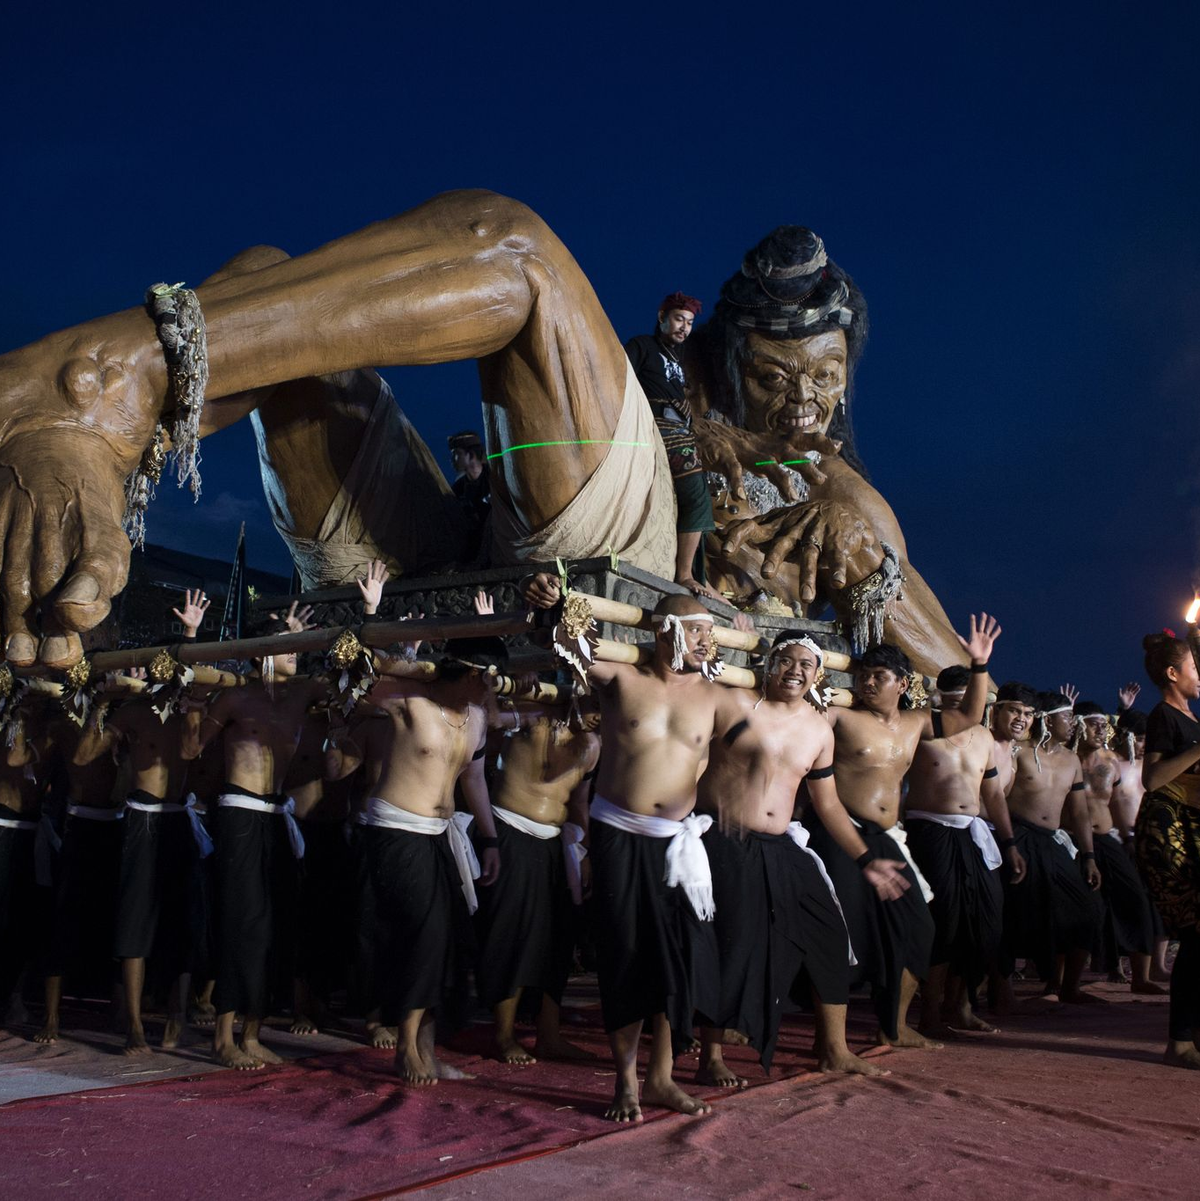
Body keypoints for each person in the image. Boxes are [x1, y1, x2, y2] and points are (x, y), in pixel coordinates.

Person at [0, 193, 970, 682]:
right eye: (777, 374)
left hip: (628, 574)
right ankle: (93, 409)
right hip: (486, 544)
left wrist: (984, 685)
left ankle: (82, 384)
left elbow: (943, 661)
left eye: (826, 380)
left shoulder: (841, 501)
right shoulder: (674, 406)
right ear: (727, 358)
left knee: (523, 254)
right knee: (269, 284)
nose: (804, 402)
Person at [524, 574, 736, 1122]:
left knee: (674, 962)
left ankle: (661, 1078)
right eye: (699, 631)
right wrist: (553, 600)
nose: (708, 643)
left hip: (677, 845)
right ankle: (627, 1084)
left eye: (711, 633)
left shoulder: (717, 695)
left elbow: (770, 731)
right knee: (624, 958)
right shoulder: (622, 676)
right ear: (667, 632)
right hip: (619, 835)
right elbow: (567, 643)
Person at [695, 631, 910, 1087]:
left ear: (818, 675)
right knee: (733, 944)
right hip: (726, 839)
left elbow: (828, 805)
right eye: (786, 661)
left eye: (806, 664)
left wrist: (866, 859)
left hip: (783, 844)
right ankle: (710, 1055)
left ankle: (834, 1049)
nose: (795, 670)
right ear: (769, 665)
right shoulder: (734, 705)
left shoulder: (818, 729)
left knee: (829, 934)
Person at [803, 617, 1001, 1050]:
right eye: (863, 676)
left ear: (902, 683)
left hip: (890, 837)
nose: (868, 683)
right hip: (839, 831)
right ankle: (827, 1042)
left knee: (920, 929)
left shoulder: (916, 723)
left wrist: (980, 664)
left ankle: (893, 1026)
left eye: (879, 676)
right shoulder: (840, 717)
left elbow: (969, 715)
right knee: (840, 933)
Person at [326, 638, 502, 1085]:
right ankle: (405, 1046)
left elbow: (475, 781)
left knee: (445, 943)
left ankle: (426, 1050)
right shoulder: (411, 704)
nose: (495, 688)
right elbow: (355, 676)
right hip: (395, 831)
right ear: (471, 674)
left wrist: (490, 838)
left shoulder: (478, 718)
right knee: (423, 936)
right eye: (490, 677)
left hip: (441, 835)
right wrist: (408, 657)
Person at [181, 618, 329, 1069]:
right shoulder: (234, 697)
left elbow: (355, 674)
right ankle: (222, 1038)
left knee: (274, 927)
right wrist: (189, 676)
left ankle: (252, 1033)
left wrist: (371, 613)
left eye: (299, 648)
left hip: (276, 815)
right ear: (262, 651)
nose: (296, 654)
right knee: (240, 923)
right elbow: (190, 749)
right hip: (239, 812)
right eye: (287, 647)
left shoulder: (301, 694)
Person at [903, 665, 1026, 1038]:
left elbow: (992, 794)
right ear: (940, 699)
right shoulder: (924, 730)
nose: (960, 712)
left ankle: (962, 1005)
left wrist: (1009, 844)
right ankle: (930, 1012)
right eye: (953, 702)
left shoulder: (985, 738)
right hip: (930, 831)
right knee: (944, 920)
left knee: (983, 922)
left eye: (968, 703)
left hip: (972, 834)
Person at [475, 711, 599, 1064]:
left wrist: (585, 852)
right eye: (590, 701)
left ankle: (549, 1036)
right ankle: (503, 1035)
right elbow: (489, 719)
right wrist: (519, 710)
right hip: (511, 833)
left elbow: (579, 804)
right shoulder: (535, 720)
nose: (596, 713)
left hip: (554, 843)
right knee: (511, 936)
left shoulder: (592, 745)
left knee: (557, 940)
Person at [36, 696, 128, 1045]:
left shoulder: (125, 719)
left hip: (116, 824)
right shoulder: (66, 725)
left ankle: (121, 1009)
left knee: (117, 920)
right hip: (79, 824)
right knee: (64, 922)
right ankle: (51, 1015)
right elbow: (77, 758)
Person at [1001, 692, 1103, 1003]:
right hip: (1019, 837)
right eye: (1067, 718)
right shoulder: (1020, 752)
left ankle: (1069, 987)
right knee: (1015, 911)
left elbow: (1081, 812)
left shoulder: (1072, 760)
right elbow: (999, 798)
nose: (1073, 725)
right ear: (1047, 719)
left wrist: (1088, 856)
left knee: (1087, 908)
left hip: (1053, 840)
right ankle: (1001, 988)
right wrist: (1005, 843)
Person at [625, 293, 720, 600]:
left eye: (690, 323)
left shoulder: (678, 359)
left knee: (705, 494)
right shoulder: (642, 346)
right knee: (696, 491)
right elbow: (621, 379)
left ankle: (700, 575)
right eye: (679, 319)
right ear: (662, 316)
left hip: (681, 430)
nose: (684, 328)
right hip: (658, 428)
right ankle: (684, 574)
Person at [1135, 632, 1200, 1069]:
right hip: (1167, 830)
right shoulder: (1163, 715)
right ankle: (1179, 1042)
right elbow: (1152, 780)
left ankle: (1189, 1037)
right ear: (1173, 674)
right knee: (1196, 935)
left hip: (1191, 829)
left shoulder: (1189, 718)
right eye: (1194, 667)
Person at [1074, 701, 1162, 993]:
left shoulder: (1111, 762)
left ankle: (1142, 977)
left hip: (1107, 839)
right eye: (1093, 723)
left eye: (1103, 723)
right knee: (1087, 909)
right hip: (1071, 840)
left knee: (1136, 900)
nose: (1101, 729)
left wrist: (1128, 839)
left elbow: (1120, 804)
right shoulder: (1067, 758)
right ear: (1078, 724)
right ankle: (1065, 984)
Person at [447, 431, 491, 562]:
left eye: (456, 454)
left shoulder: (495, 480)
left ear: (471, 455)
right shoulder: (458, 489)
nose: (452, 460)